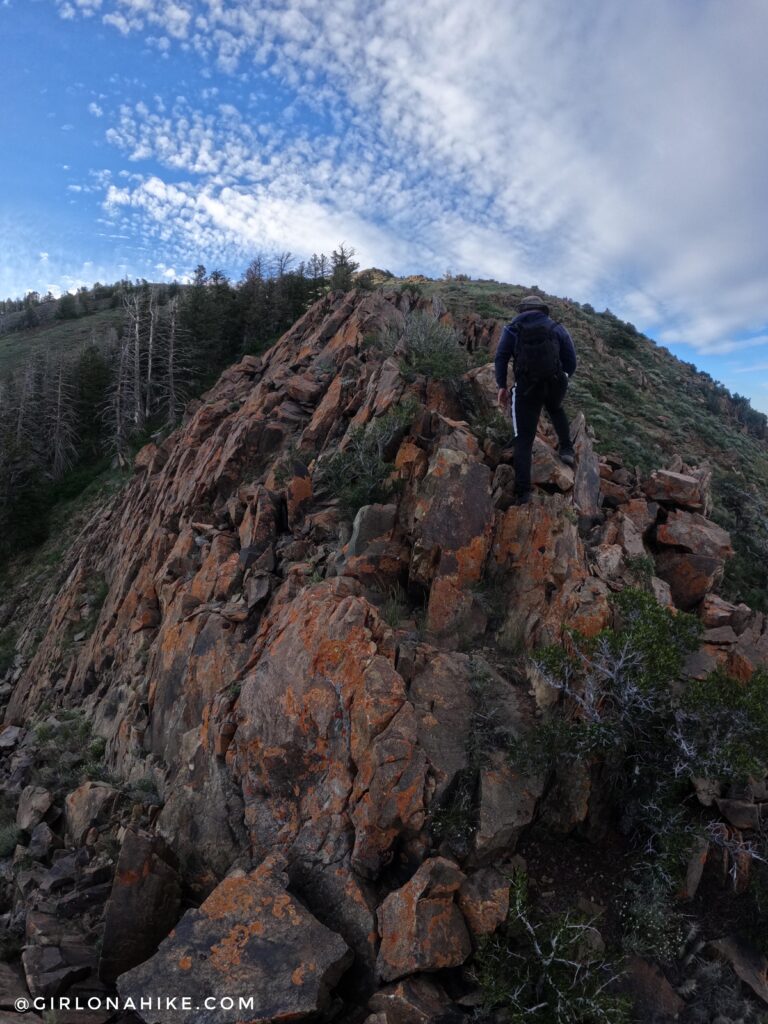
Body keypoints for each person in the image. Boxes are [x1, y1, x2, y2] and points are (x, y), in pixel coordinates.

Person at [495, 295, 577, 505]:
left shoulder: (511, 329)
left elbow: (501, 357)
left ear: (522, 310)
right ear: (542, 309)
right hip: (555, 382)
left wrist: (502, 386)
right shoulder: (557, 327)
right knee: (556, 408)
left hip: (526, 388)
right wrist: (563, 376)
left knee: (523, 439)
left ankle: (523, 494)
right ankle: (567, 449)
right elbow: (571, 360)